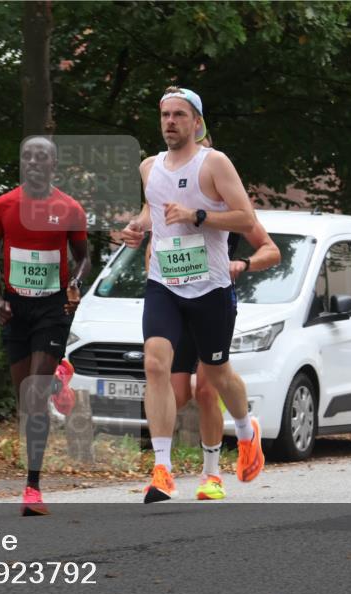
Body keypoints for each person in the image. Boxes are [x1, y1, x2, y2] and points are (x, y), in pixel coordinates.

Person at [123, 86, 264, 504]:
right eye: (165, 114)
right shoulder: (149, 167)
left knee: (216, 377)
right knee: (155, 363)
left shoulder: (214, 163)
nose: (170, 122)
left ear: (196, 122)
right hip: (165, 282)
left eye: (179, 115)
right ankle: (162, 470)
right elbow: (154, 210)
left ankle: (245, 429)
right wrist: (138, 226)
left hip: (210, 287)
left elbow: (245, 217)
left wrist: (198, 215)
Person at [0, 135, 90, 516]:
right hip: (16, 309)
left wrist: (75, 282)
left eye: (40, 157)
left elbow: (83, 258)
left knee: (34, 396)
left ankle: (32, 487)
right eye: (26, 156)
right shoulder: (3, 206)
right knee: (25, 403)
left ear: (52, 166)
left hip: (51, 308)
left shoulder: (69, 208)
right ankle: (60, 375)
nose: (32, 163)